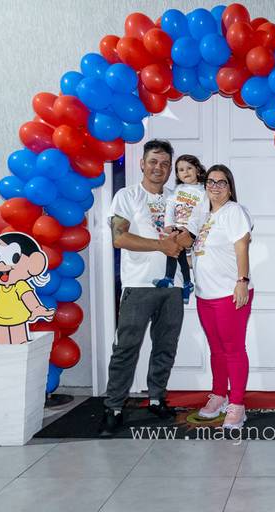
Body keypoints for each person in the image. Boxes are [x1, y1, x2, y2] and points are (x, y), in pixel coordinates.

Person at [100, 139, 185, 437]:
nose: (158, 168)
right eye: (153, 162)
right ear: (142, 164)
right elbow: (119, 238)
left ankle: (156, 398)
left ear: (170, 168)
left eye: (164, 164)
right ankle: (114, 407)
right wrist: (161, 245)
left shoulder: (178, 198)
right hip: (138, 285)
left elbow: (190, 235)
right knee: (126, 348)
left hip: (173, 285)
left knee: (166, 346)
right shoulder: (126, 196)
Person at [181, 164, 253, 430]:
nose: (215, 187)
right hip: (205, 294)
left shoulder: (234, 212)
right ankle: (219, 395)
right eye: (210, 182)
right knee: (217, 350)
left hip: (229, 293)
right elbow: (200, 255)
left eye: (221, 182)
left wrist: (242, 281)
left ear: (230, 188)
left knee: (233, 350)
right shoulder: (203, 217)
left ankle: (237, 405)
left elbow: (242, 247)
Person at [152, 154, 207, 304]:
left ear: (197, 170)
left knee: (175, 249)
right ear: (177, 174)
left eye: (189, 168)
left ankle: (171, 279)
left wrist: (196, 232)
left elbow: (205, 213)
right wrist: (168, 225)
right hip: (177, 227)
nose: (185, 172)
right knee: (178, 253)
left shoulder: (203, 191)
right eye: (181, 170)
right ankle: (186, 283)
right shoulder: (178, 189)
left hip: (191, 230)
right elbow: (170, 207)